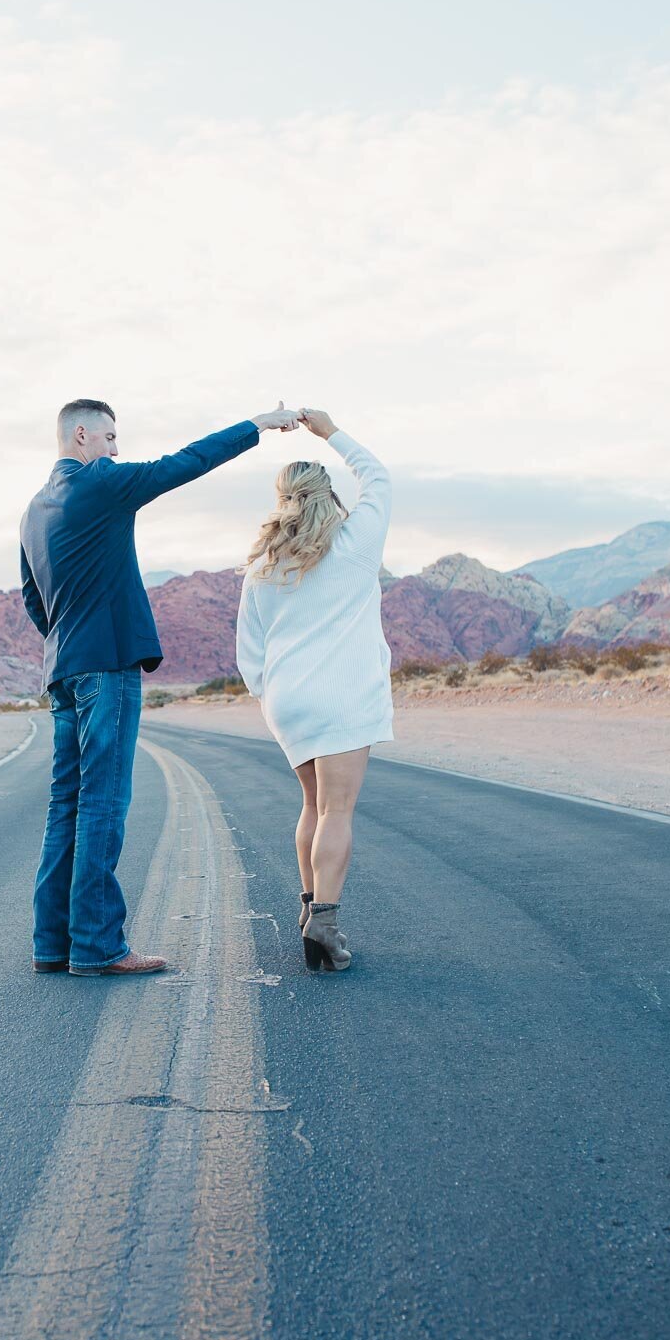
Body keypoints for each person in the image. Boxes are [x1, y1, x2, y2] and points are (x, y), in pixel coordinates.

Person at [19, 397, 299, 976]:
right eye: (111, 438)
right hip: (107, 666)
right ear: (81, 436)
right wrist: (259, 425)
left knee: (64, 804)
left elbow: (32, 598)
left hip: (64, 670)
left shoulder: (33, 510)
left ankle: (53, 944)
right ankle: (97, 946)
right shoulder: (101, 483)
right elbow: (185, 463)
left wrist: (70, 637)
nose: (117, 450)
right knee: (101, 804)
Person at [235, 408, 393, 972]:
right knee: (338, 810)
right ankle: (325, 923)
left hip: (288, 701)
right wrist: (329, 431)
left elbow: (249, 649)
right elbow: (378, 477)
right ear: (327, 494)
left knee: (311, 804)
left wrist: (267, 695)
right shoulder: (357, 542)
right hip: (344, 694)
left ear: (281, 500)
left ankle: (308, 912)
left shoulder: (263, 567)